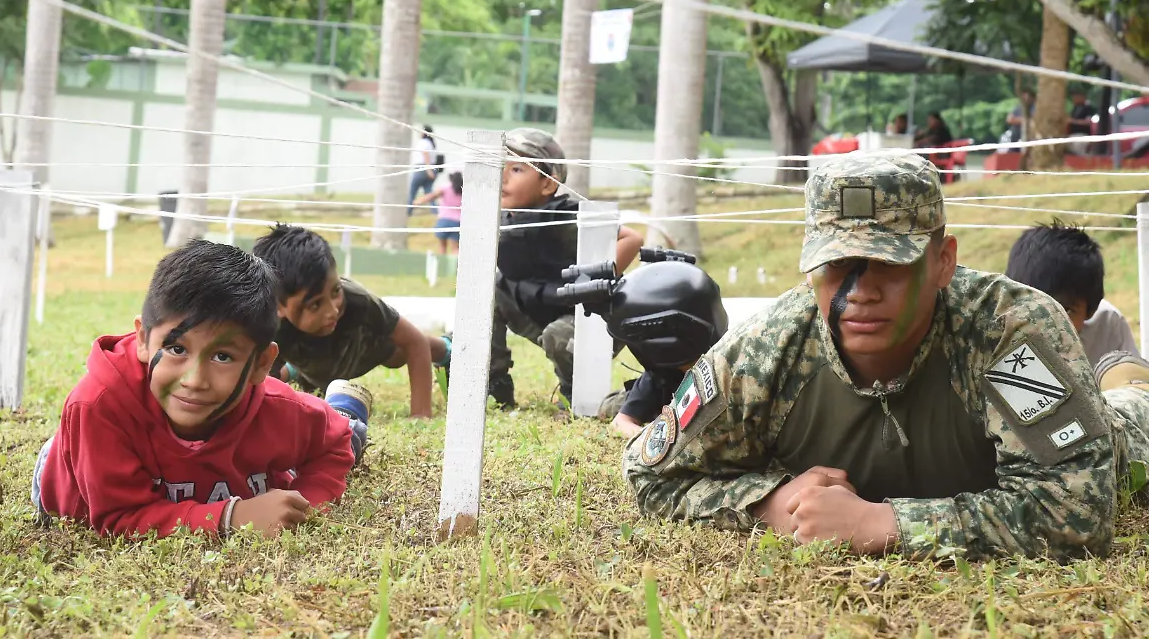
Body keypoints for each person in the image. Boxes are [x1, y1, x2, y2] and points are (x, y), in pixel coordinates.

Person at [623, 151, 1149, 561]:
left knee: (1130, 402)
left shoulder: (1007, 331)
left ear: (944, 262)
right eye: (836, 266)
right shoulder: (766, 348)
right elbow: (651, 472)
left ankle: (1128, 375)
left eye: (887, 265)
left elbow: (1077, 506)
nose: (859, 293)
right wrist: (770, 506)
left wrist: (883, 525)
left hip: (1120, 429)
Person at [30, 241, 361, 539]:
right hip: (75, 468)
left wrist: (302, 505)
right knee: (66, 447)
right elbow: (119, 517)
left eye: (222, 356)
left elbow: (333, 444)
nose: (194, 380)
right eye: (176, 349)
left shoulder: (277, 407)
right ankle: (59, 446)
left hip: (231, 462)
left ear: (262, 364)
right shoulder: (98, 407)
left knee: (347, 433)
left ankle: (345, 411)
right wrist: (233, 517)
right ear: (143, 340)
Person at [489, 127, 644, 409]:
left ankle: (575, 391)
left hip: (589, 321)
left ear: (548, 184)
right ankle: (494, 383)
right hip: (538, 308)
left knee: (558, 336)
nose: (503, 176)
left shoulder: (566, 216)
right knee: (490, 291)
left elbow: (631, 238)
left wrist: (591, 287)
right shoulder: (498, 219)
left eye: (517, 170)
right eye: (501, 167)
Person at [253, 224, 451, 419]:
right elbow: (262, 384)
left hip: (363, 348)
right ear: (279, 307)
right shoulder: (268, 326)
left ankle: (448, 348)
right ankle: (295, 371)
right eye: (315, 305)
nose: (333, 310)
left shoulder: (359, 301)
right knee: (282, 378)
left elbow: (415, 342)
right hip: (315, 367)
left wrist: (420, 415)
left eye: (336, 291)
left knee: (397, 355)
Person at [579, 249, 728, 439]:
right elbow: (620, 423)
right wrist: (655, 438)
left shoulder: (730, 364)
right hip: (656, 400)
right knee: (610, 406)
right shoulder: (660, 376)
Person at [1005, 220, 1139, 366]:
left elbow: (1133, 382)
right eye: (1034, 306)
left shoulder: (1106, 325)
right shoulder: (989, 332)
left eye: (1066, 311)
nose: (1047, 323)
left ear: (1090, 311)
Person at [414, 169, 463, 255]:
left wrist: (419, 201)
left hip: (443, 220)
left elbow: (432, 196)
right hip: (457, 222)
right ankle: (455, 266)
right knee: (455, 248)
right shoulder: (463, 191)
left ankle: (442, 266)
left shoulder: (446, 188)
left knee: (442, 247)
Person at [407, 125, 440, 217]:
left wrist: (428, 169)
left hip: (422, 168)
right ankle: (435, 211)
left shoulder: (423, 142)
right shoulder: (431, 144)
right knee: (429, 191)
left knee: (412, 190)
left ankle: (408, 210)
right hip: (431, 168)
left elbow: (425, 154)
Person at [1067, 89, 1098, 154]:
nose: (1074, 98)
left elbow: (1088, 122)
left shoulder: (1088, 108)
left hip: (1082, 135)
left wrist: (1073, 121)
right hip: (1072, 134)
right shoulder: (1076, 107)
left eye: (1076, 96)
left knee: (1079, 151)